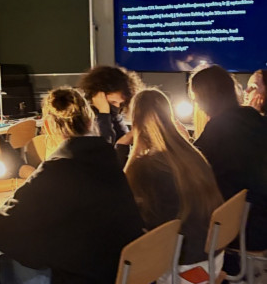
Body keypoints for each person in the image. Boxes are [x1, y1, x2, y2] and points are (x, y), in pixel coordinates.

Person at [0, 87, 144, 284]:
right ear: (90, 121)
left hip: (85, 277)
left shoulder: (58, 168)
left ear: (47, 126)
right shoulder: (108, 158)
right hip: (122, 271)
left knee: (14, 265)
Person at [124, 89, 223, 282]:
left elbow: (127, 209)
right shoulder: (191, 154)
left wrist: (123, 150)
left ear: (135, 122)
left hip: (183, 270)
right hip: (212, 258)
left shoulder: (145, 167)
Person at [190, 65, 267, 252]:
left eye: (196, 97)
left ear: (205, 97)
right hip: (259, 215)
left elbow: (192, 164)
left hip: (244, 228)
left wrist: (180, 142)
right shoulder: (252, 116)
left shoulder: (218, 127)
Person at [77, 65, 143, 145]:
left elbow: (124, 143)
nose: (117, 107)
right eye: (113, 102)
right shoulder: (82, 118)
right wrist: (103, 114)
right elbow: (106, 145)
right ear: (97, 95)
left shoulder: (114, 116)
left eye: (121, 103)